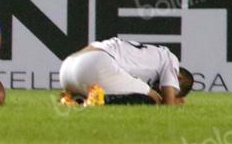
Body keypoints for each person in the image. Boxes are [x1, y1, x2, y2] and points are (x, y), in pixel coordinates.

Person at [58, 38, 195, 106]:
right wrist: (173, 100)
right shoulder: (170, 58)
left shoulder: (146, 56)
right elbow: (168, 105)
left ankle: (73, 100)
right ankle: (93, 102)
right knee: (153, 99)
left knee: (131, 92)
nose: (166, 90)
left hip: (66, 69)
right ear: (179, 78)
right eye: (174, 89)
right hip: (96, 64)